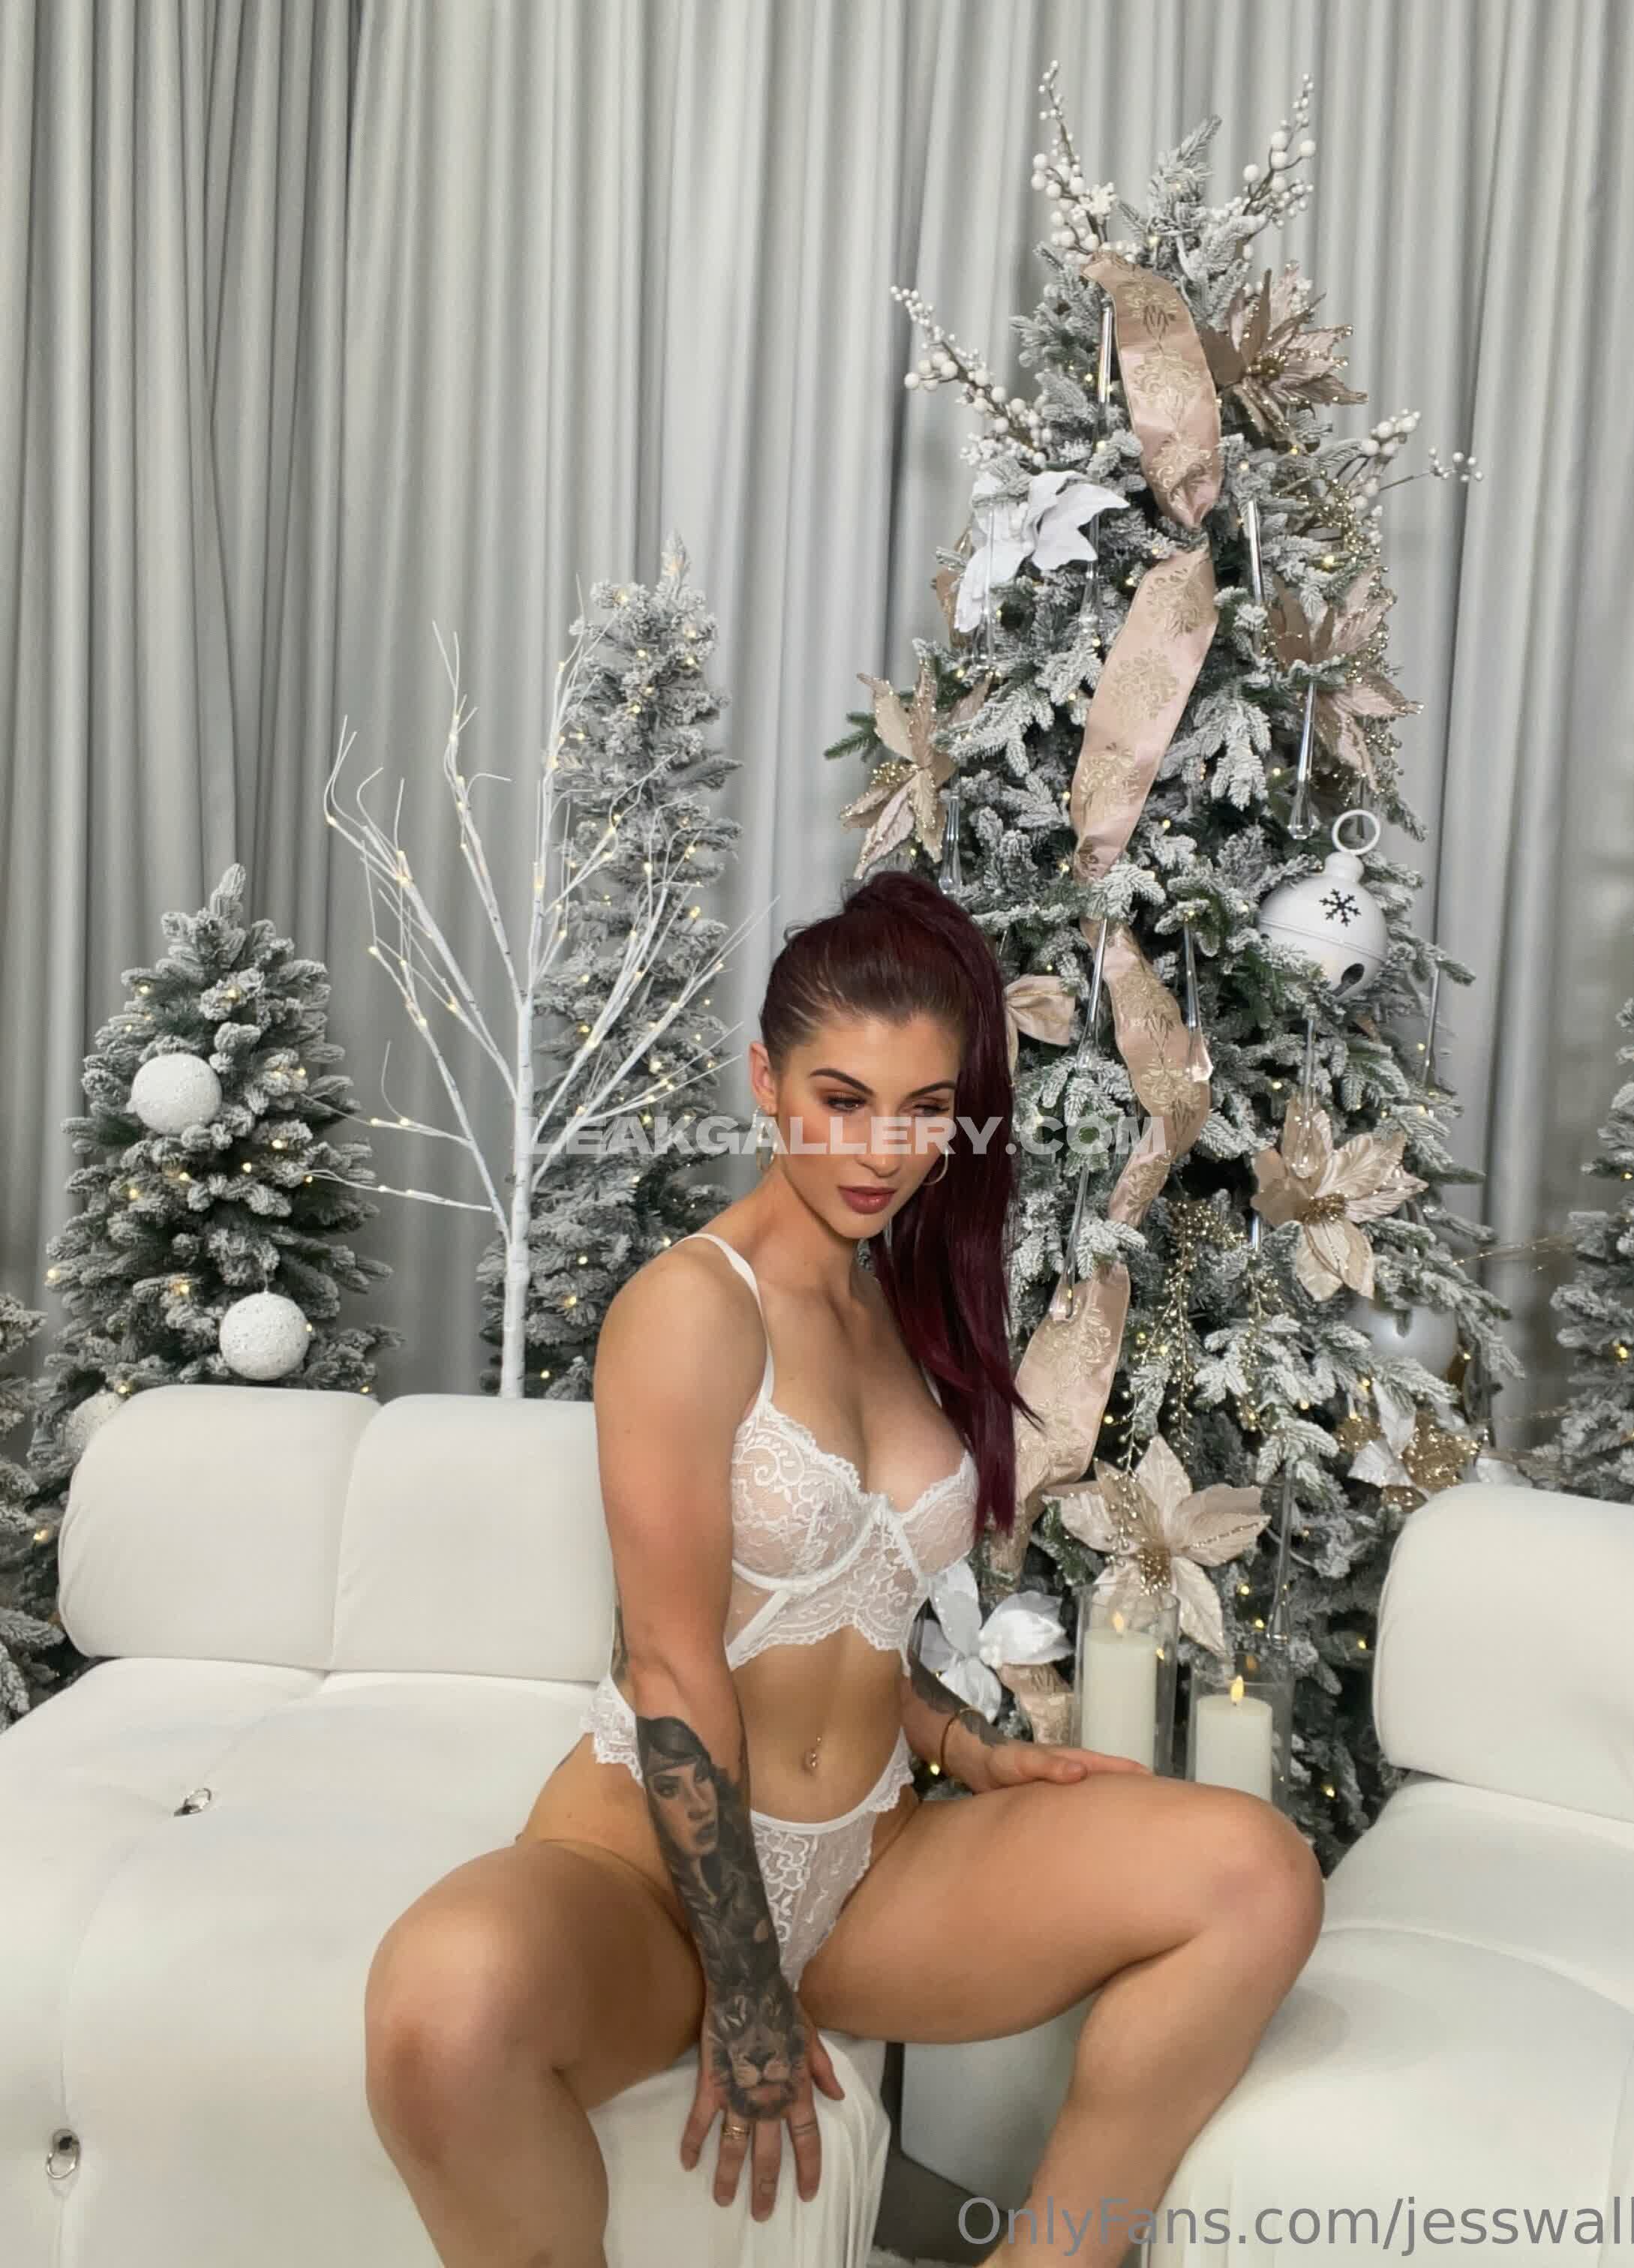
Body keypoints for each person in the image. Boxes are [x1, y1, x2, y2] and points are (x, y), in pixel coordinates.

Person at [363, 869, 1324, 2268]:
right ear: (765, 1083)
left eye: (923, 1108)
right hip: (657, 1881)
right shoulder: (690, 1310)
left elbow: (844, 1611)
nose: (883, 1150)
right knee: (441, 2011)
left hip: (870, 1865)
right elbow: (675, 1658)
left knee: (1255, 1873)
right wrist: (746, 1981)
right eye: (841, 1098)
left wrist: (961, 1747)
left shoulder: (890, 1301)